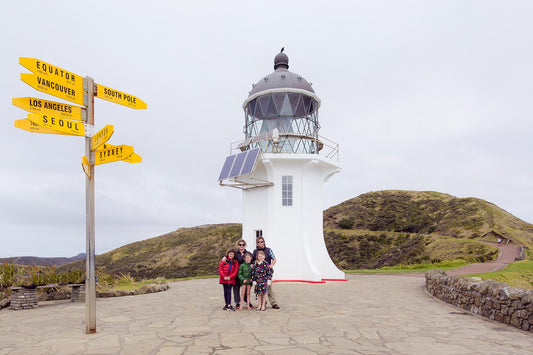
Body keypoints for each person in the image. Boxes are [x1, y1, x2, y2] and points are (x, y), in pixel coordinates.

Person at [252, 236, 280, 309]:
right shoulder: (255, 251)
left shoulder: (268, 250)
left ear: (264, 242)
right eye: (258, 242)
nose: (260, 243)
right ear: (257, 243)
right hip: (258, 275)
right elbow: (252, 261)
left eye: (261, 241)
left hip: (267, 273)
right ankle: (262, 304)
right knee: (260, 289)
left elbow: (274, 259)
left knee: (269, 287)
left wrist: (271, 265)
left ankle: (274, 303)